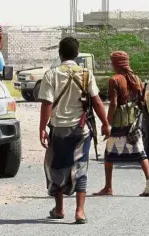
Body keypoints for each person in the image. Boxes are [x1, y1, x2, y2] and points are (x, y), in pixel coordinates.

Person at [38, 37, 110, 224]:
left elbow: (47, 103)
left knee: (57, 167)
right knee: (81, 168)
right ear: (77, 55)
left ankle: (60, 209)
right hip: (81, 130)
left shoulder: (50, 74)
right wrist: (105, 123)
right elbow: (97, 101)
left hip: (59, 130)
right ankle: (80, 212)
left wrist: (42, 129)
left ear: (60, 54)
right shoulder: (86, 74)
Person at [93, 50, 149, 197]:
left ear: (116, 64)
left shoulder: (114, 80)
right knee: (140, 152)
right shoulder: (136, 79)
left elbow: (114, 104)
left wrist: (106, 123)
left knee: (109, 154)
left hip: (119, 122)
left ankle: (108, 187)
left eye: (112, 62)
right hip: (133, 122)